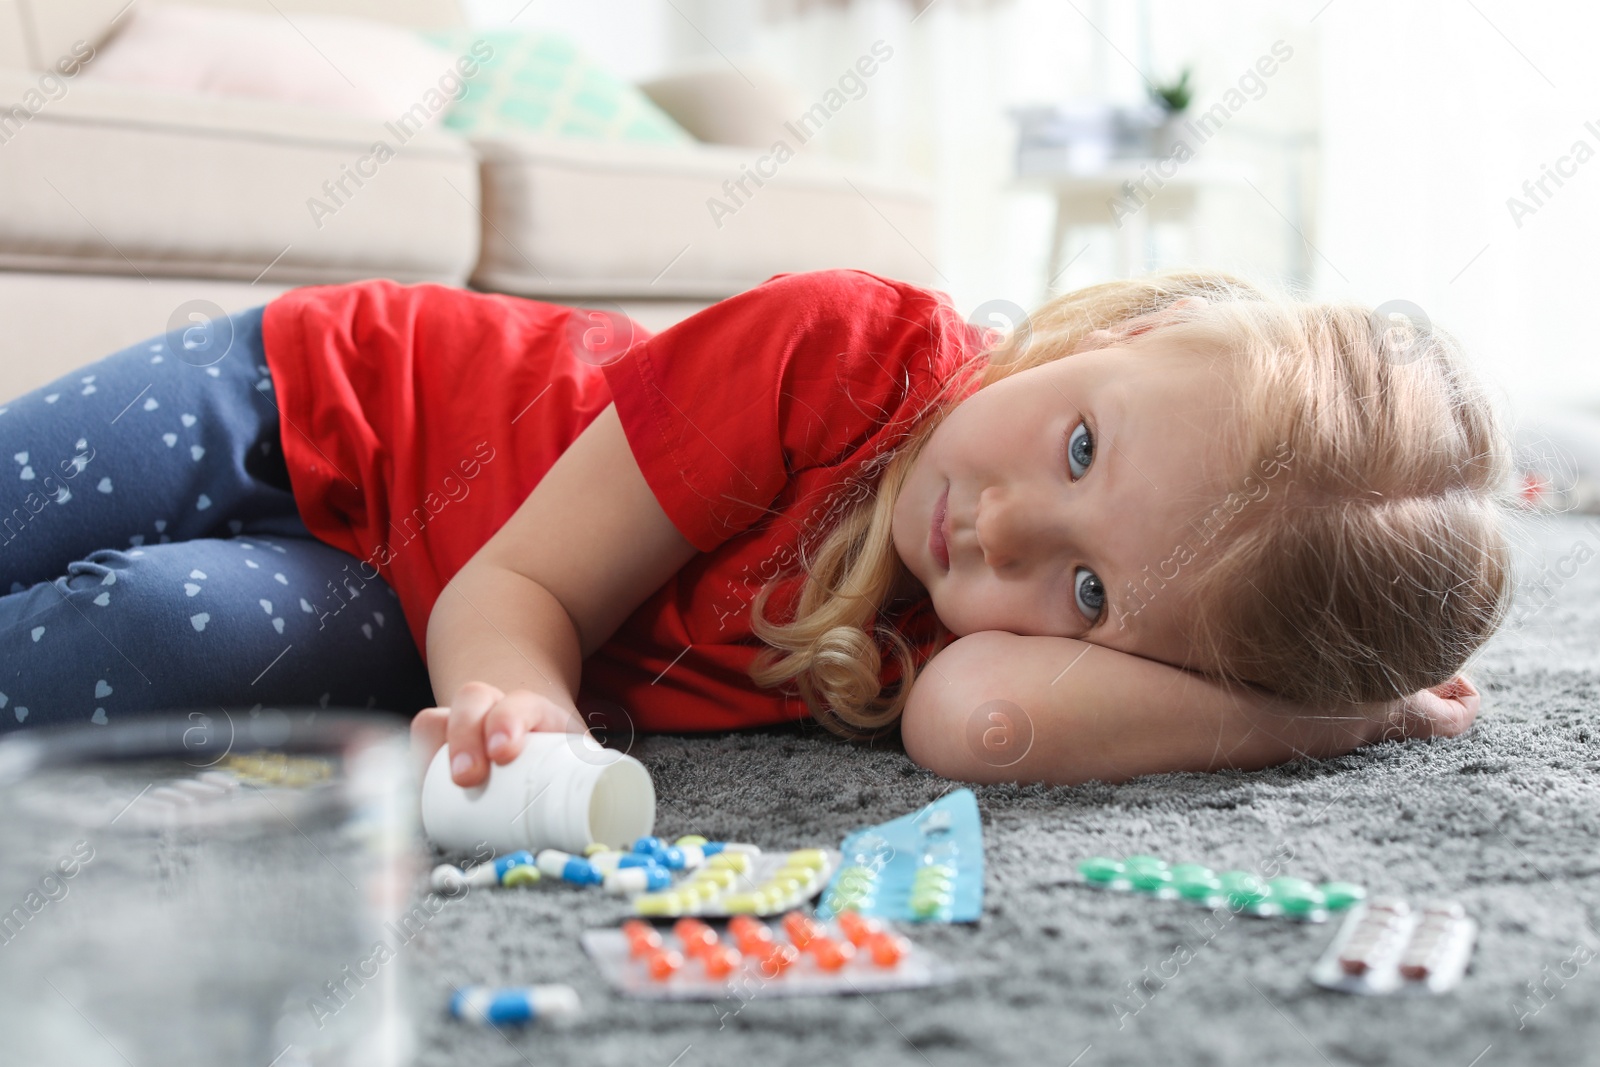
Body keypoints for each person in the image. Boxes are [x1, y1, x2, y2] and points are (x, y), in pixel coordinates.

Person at [0, 270, 1509, 787]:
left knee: (141, 635)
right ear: (1134, 325)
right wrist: (526, 714)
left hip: (405, 599)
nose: (998, 532)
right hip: (336, 401)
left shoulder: (968, 638)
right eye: (1080, 442)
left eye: (1096, 588)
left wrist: (1335, 720)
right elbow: (515, 579)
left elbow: (976, 722)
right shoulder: (845, 357)